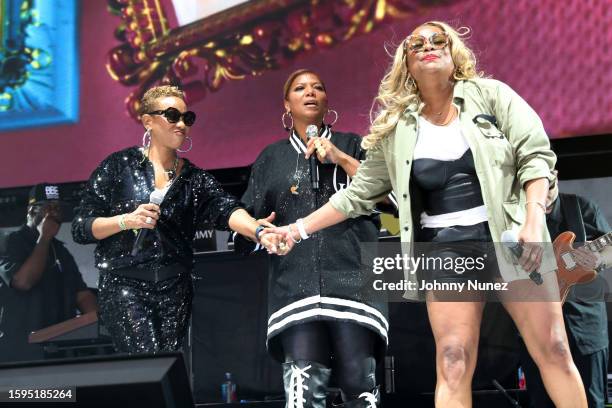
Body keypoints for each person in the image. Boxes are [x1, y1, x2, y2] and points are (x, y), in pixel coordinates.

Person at [270, 22, 588, 407]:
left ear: (455, 54)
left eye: (439, 40)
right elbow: (356, 196)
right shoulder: (398, 127)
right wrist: (297, 229)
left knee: (553, 348)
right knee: (453, 360)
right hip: (447, 250)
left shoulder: (493, 96)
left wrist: (534, 219)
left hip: (512, 239)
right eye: (417, 44)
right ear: (407, 62)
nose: (429, 47)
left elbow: (536, 157)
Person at [72, 85, 281, 354]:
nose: (182, 124)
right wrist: (125, 221)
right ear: (148, 121)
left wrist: (258, 230)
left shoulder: (194, 178)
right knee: (147, 364)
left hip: (175, 289)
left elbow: (226, 209)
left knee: (168, 368)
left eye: (187, 118)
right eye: (172, 116)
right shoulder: (118, 166)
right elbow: (81, 228)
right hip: (124, 287)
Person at [233, 69, 389, 408]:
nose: (310, 93)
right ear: (286, 105)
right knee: (303, 392)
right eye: (300, 88)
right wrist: (259, 228)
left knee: (358, 385)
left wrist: (341, 158)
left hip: (354, 282)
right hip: (295, 286)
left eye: (318, 87)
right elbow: (246, 220)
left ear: (327, 101)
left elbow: (389, 197)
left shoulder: (355, 145)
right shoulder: (270, 158)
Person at [520, 173, 612, 408]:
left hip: (585, 322)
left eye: (549, 185)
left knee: (592, 400)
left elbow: (609, 250)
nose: (546, 192)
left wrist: (596, 259)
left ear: (556, 177)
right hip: (539, 326)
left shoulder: (581, 208)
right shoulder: (520, 217)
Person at [0, 183, 97, 363]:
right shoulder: (10, 243)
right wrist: (44, 237)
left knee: (68, 392)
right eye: (48, 208)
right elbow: (23, 282)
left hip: (59, 351)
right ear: (31, 211)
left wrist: (97, 323)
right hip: (19, 354)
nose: (55, 214)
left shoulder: (60, 250)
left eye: (58, 209)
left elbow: (81, 295)